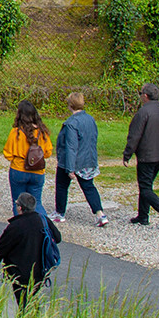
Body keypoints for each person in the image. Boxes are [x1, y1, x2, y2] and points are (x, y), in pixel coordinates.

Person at [0, 191, 61, 309]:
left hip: (20, 274)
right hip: (40, 271)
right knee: (32, 302)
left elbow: (2, 249)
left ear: (20, 208)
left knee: (24, 304)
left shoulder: (15, 226)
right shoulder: (43, 220)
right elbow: (58, 238)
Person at [123, 82, 159, 232]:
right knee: (147, 185)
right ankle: (143, 216)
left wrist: (127, 154)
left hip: (147, 156)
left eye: (140, 93)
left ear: (145, 96)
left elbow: (134, 136)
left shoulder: (143, 112)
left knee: (145, 188)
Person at [53, 91, 107, 227]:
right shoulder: (90, 119)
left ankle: (60, 213)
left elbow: (71, 147)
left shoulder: (71, 123)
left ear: (70, 105)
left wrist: (70, 168)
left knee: (61, 185)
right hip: (88, 159)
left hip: (71, 161)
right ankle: (100, 214)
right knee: (89, 187)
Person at [3, 100, 53, 216]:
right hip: (37, 172)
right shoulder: (42, 132)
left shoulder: (16, 132)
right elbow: (48, 153)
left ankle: (20, 228)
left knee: (18, 202)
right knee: (37, 202)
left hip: (19, 169)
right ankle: (44, 228)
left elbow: (8, 154)